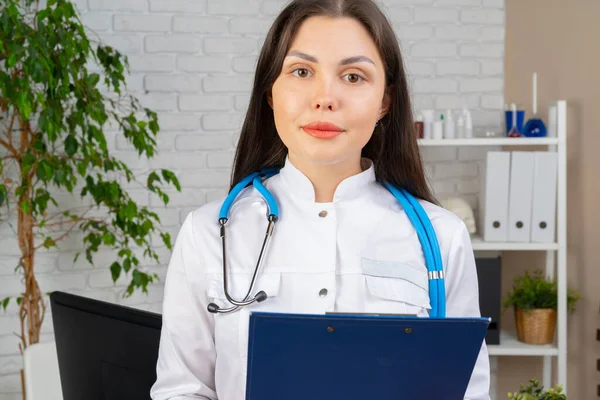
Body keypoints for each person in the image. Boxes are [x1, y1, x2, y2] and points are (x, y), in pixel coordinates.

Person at [150, 0, 491, 399]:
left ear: (385, 101)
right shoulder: (208, 234)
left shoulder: (442, 237)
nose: (325, 97)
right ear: (271, 93)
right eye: (301, 71)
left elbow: (467, 392)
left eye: (353, 76)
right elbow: (182, 390)